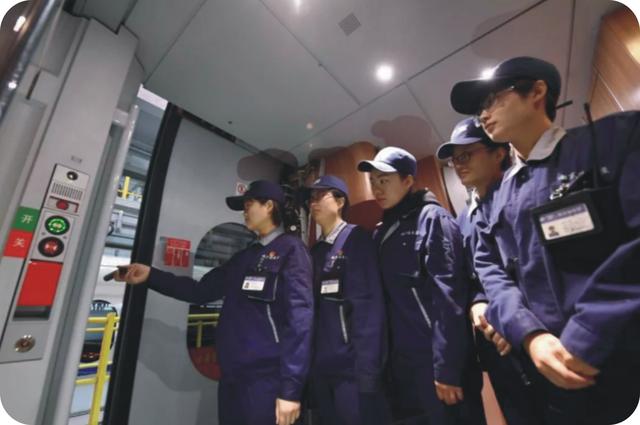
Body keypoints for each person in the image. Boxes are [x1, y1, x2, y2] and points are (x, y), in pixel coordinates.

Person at [450, 56, 640, 424]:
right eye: (479, 108)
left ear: (537, 91)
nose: (483, 114)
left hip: (617, 358)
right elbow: (492, 270)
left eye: (492, 99)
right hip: (540, 367)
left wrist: (587, 334)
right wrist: (528, 334)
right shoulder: (499, 198)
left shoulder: (613, 141)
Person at [114, 180, 314, 425]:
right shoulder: (244, 257)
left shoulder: (292, 250)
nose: (244, 212)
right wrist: (151, 276)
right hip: (232, 376)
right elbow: (201, 291)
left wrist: (290, 391)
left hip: (266, 379)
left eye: (248, 205)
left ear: (269, 206)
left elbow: (300, 322)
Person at [357, 147, 485, 425]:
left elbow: (448, 299)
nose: (377, 188)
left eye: (384, 180)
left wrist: (447, 368)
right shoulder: (381, 232)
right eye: (373, 181)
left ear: (407, 181)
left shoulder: (432, 219)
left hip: (436, 362)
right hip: (402, 365)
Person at [437, 117, 542, 425]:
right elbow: (469, 278)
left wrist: (516, 323)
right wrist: (477, 304)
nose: (459, 164)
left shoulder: (523, 196)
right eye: (455, 159)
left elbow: (537, 270)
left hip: (540, 333)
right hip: (493, 342)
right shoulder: (463, 220)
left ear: (498, 153)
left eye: (466, 155)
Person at [303, 175, 388, 425]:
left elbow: (369, 309)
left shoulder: (356, 240)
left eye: (321, 196)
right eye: (311, 198)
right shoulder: (314, 252)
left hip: (351, 371)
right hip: (322, 368)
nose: (313, 202)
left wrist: (368, 373)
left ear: (340, 202)